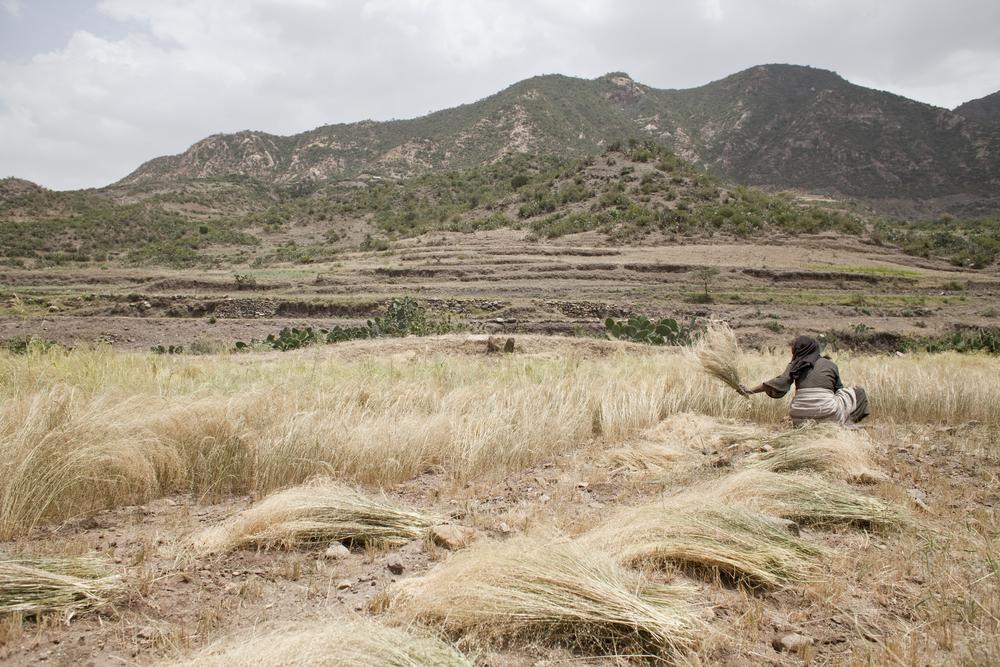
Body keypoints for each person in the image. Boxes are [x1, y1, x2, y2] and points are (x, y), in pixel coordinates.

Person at [739, 336, 869, 426]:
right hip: (827, 415)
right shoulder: (829, 364)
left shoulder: (795, 365)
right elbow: (838, 390)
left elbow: (778, 382)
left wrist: (750, 390)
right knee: (859, 392)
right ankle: (847, 425)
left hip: (798, 417)